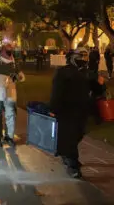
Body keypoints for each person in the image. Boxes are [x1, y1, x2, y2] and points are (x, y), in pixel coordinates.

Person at [50, 47, 103, 178]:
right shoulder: (63, 72)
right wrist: (53, 108)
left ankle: (66, 154)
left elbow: (96, 90)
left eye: (85, 57)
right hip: (67, 110)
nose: (83, 59)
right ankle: (72, 165)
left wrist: (100, 84)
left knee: (79, 134)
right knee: (71, 137)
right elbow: (57, 91)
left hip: (82, 110)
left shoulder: (87, 73)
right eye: (80, 56)